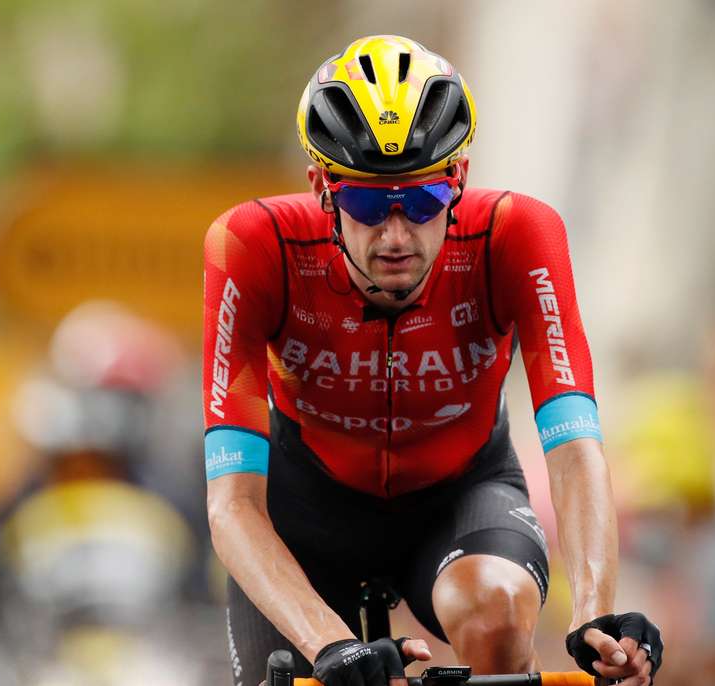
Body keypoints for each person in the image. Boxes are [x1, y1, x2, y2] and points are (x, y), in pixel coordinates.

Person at [203, 35, 662, 686]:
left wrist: (594, 614)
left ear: (459, 180)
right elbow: (232, 504)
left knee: (497, 613)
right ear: (322, 189)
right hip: (306, 514)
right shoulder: (253, 245)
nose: (396, 235)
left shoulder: (517, 234)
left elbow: (574, 445)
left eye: (422, 202)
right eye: (367, 203)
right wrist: (330, 644)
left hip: (461, 496)